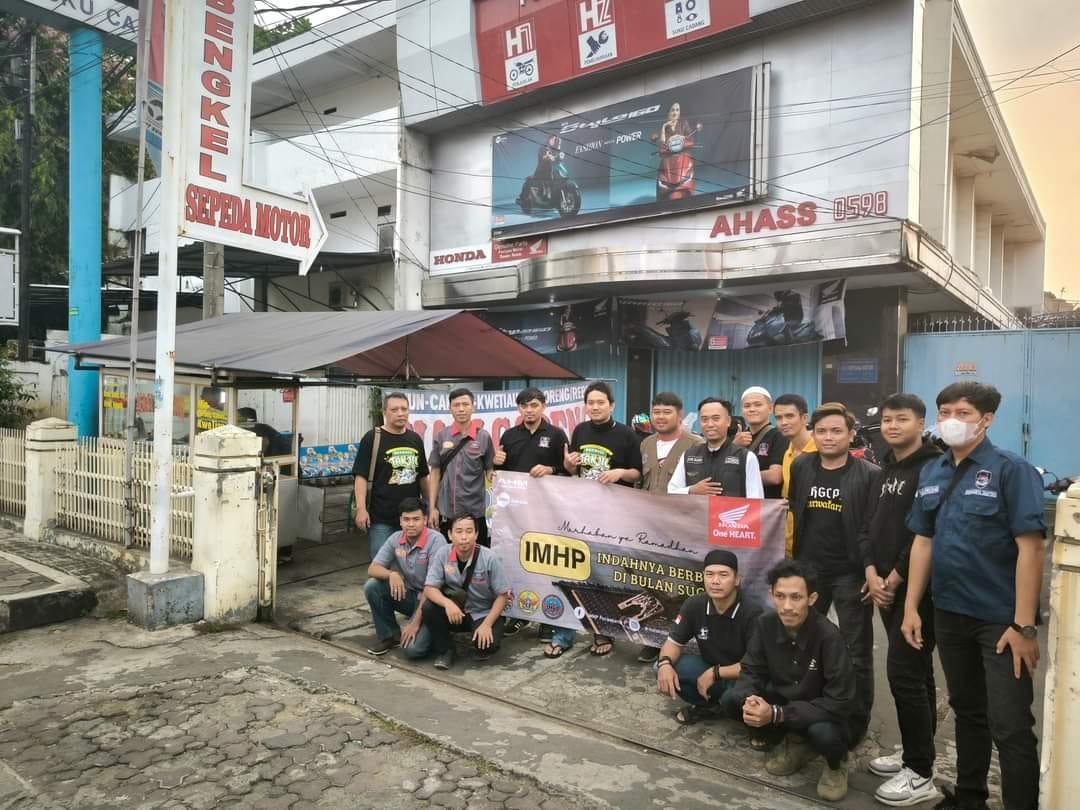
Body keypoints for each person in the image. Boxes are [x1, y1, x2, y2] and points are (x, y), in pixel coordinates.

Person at [902, 382, 1046, 810]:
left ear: (987, 419)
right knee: (967, 710)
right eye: (944, 412)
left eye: (962, 413)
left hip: (1001, 621)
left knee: (1011, 725)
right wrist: (911, 606)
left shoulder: (1010, 470)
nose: (951, 420)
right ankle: (969, 799)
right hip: (950, 613)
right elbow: (923, 540)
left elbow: (1031, 548)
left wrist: (1024, 626)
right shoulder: (933, 470)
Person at [857, 393, 943, 806]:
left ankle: (920, 773)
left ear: (921, 423)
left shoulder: (933, 468)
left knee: (905, 675)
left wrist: (893, 578)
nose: (892, 426)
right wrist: (871, 572)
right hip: (884, 585)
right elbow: (868, 527)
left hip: (917, 593)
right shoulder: (886, 468)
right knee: (917, 674)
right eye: (887, 420)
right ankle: (916, 755)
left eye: (901, 419)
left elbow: (924, 534)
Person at [721, 560, 856, 802]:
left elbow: (840, 701)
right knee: (732, 699)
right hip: (783, 702)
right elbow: (751, 669)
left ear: (812, 599)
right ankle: (796, 743)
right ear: (771, 595)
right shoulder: (765, 624)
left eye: (796, 597)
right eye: (780, 596)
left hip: (821, 710)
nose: (787, 607)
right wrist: (750, 699)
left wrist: (776, 714)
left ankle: (836, 764)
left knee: (824, 733)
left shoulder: (829, 636)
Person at [789, 402, 881, 745]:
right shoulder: (801, 466)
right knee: (803, 644)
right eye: (822, 431)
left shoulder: (869, 474)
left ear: (851, 434)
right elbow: (794, 512)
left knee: (856, 652)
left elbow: (871, 527)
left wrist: (870, 569)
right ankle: (805, 712)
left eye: (836, 431)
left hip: (850, 573)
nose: (828, 437)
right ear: (813, 433)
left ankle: (856, 722)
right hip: (809, 571)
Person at [562, 381, 643, 657]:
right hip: (586, 510)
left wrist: (620, 473)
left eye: (600, 402)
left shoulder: (626, 434)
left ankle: (616, 626)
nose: (595, 407)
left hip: (617, 512)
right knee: (588, 568)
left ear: (612, 405)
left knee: (611, 570)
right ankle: (597, 626)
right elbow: (572, 470)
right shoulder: (580, 430)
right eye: (591, 402)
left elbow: (637, 473)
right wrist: (569, 464)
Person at [493, 387, 569, 641]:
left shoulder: (556, 435)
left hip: (546, 512)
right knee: (517, 562)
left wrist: (551, 469)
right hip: (515, 514)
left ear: (543, 406)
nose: (529, 410)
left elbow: (568, 471)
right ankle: (519, 613)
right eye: (524, 406)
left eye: (534, 405)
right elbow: (499, 473)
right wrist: (495, 461)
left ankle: (547, 618)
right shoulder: (509, 435)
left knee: (545, 564)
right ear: (519, 409)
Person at [656, 549, 762, 724]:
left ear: (737, 579)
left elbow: (756, 666)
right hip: (711, 667)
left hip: (743, 676)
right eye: (709, 574)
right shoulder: (694, 604)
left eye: (723, 575)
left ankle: (754, 723)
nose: (715, 581)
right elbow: (673, 642)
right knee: (662, 667)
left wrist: (715, 673)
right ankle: (707, 706)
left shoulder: (753, 612)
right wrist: (664, 664)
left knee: (733, 699)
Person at [422, 512, 512, 671]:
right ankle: (446, 650)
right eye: (458, 531)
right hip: (456, 612)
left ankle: (480, 634)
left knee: (486, 646)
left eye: (469, 531)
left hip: (482, 612)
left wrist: (487, 624)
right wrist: (448, 604)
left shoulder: (489, 557)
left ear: (476, 534)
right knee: (429, 607)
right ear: (450, 534)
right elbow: (429, 588)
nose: (464, 537)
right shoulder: (443, 553)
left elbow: (502, 596)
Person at [362, 498, 446, 658]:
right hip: (410, 596)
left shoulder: (436, 540)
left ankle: (436, 634)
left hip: (432, 602)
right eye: (406, 519)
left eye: (416, 519)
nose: (411, 524)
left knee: (413, 650)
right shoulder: (395, 538)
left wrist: (414, 624)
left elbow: (432, 587)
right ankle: (390, 636)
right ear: (400, 521)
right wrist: (391, 574)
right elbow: (372, 568)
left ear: (425, 520)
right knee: (372, 586)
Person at [353, 393, 430, 561]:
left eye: (404, 409)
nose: (400, 413)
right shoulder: (372, 438)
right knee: (381, 564)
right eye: (394, 410)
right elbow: (361, 476)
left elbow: (423, 476)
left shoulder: (415, 439)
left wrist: (430, 506)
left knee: (413, 564)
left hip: (411, 518)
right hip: (381, 518)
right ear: (384, 412)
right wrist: (361, 509)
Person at [427, 389, 495, 546]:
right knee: (447, 556)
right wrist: (432, 508)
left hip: (475, 514)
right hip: (447, 513)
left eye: (465, 404)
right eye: (456, 405)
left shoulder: (483, 437)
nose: (461, 409)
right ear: (450, 408)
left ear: (473, 407)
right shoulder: (442, 436)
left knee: (477, 556)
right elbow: (435, 473)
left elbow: (490, 472)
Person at [667, 398, 764, 498]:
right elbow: (671, 491)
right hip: (697, 508)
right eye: (704, 419)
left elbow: (756, 498)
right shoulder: (688, 455)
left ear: (728, 421)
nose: (710, 424)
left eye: (716, 419)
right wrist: (691, 490)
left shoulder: (746, 457)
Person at [775, 393, 817, 557]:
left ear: (805, 418)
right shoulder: (788, 452)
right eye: (778, 417)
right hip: (790, 544)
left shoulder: (820, 450)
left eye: (789, 416)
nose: (783, 422)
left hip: (814, 544)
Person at [733, 387, 790, 499]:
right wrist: (734, 446)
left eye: (758, 405)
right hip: (740, 503)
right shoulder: (738, 438)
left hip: (768, 504)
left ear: (770, 408)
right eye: (747, 406)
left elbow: (775, 477)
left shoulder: (779, 435)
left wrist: (737, 477)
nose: (752, 409)